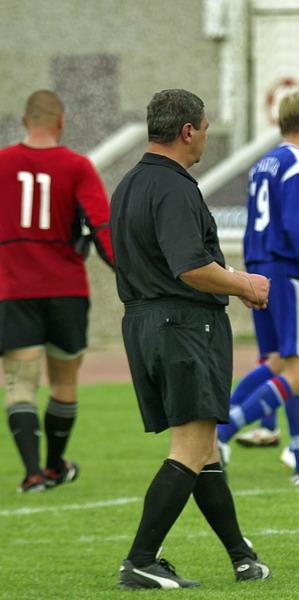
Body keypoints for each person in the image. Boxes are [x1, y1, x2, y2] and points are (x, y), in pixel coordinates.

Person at [111, 88, 272, 588]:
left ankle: (242, 556)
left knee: (204, 451)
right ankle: (140, 560)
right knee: (190, 446)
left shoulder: (129, 184)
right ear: (187, 131)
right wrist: (244, 283)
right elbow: (190, 267)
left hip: (144, 321)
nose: (204, 137)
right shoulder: (176, 187)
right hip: (183, 324)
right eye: (204, 128)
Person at [215, 90, 299, 485]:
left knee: (281, 363)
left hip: (264, 267)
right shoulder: (297, 166)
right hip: (291, 273)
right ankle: (220, 433)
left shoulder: (265, 163)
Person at [0, 90, 113, 493]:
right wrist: (127, 271)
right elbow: (102, 227)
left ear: (24, 120)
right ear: (61, 122)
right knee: (64, 381)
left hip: (15, 290)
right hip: (67, 290)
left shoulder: (3, 164)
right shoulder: (78, 166)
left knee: (21, 383)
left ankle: (32, 473)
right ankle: (54, 467)